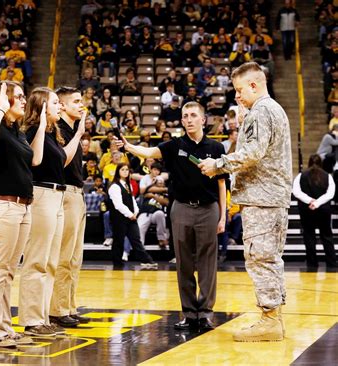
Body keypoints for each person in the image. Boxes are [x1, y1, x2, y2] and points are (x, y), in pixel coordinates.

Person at [198, 62, 292, 342]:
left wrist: (220, 163)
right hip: (270, 196)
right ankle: (273, 317)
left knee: (260, 257)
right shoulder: (267, 110)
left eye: (239, 90)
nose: (236, 96)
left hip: (263, 197)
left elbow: (252, 152)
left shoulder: (262, 110)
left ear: (254, 85)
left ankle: (270, 319)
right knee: (267, 257)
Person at [116, 101, 227, 332]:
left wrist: (223, 216)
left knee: (207, 263)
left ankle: (205, 314)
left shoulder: (216, 149)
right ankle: (189, 313)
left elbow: (221, 185)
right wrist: (128, 147)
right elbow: (148, 152)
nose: (188, 119)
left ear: (203, 119)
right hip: (181, 208)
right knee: (184, 263)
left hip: (209, 209)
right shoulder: (174, 145)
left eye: (193, 115)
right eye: (185, 115)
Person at [0, 81, 44, 348]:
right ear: (3, 101)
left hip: (22, 206)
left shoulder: (16, 132)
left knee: (8, 272)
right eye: (18, 97)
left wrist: (40, 127)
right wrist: (0, 110)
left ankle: (5, 328)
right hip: (1, 207)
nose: (23, 100)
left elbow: (34, 161)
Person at [19, 87, 85, 337]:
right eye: (55, 102)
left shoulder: (52, 133)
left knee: (50, 262)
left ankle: (43, 316)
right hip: (43, 194)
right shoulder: (34, 131)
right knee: (37, 261)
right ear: (42, 106)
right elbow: (35, 162)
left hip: (56, 196)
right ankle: (31, 319)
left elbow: (62, 161)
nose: (59, 106)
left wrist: (78, 134)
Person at [48, 86, 91, 328]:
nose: (81, 104)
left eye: (81, 99)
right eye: (76, 101)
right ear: (62, 105)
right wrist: (79, 134)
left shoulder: (73, 129)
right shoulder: (58, 130)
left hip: (78, 194)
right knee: (64, 257)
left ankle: (69, 307)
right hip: (65, 194)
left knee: (75, 258)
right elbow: (61, 162)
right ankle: (58, 309)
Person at [107, 163, 157, 268]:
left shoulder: (128, 184)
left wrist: (136, 211)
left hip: (131, 217)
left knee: (136, 239)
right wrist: (130, 214)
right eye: (122, 170)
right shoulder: (114, 186)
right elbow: (118, 205)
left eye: (127, 170)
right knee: (118, 241)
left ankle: (147, 260)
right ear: (118, 172)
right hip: (119, 218)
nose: (125, 172)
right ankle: (117, 263)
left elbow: (132, 199)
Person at [293, 155, 337, 268]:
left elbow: (296, 192)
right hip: (323, 211)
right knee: (327, 237)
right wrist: (317, 203)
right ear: (321, 163)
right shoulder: (327, 176)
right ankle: (331, 263)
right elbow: (330, 194)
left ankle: (312, 263)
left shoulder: (300, 176)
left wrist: (310, 201)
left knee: (309, 237)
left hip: (306, 210)